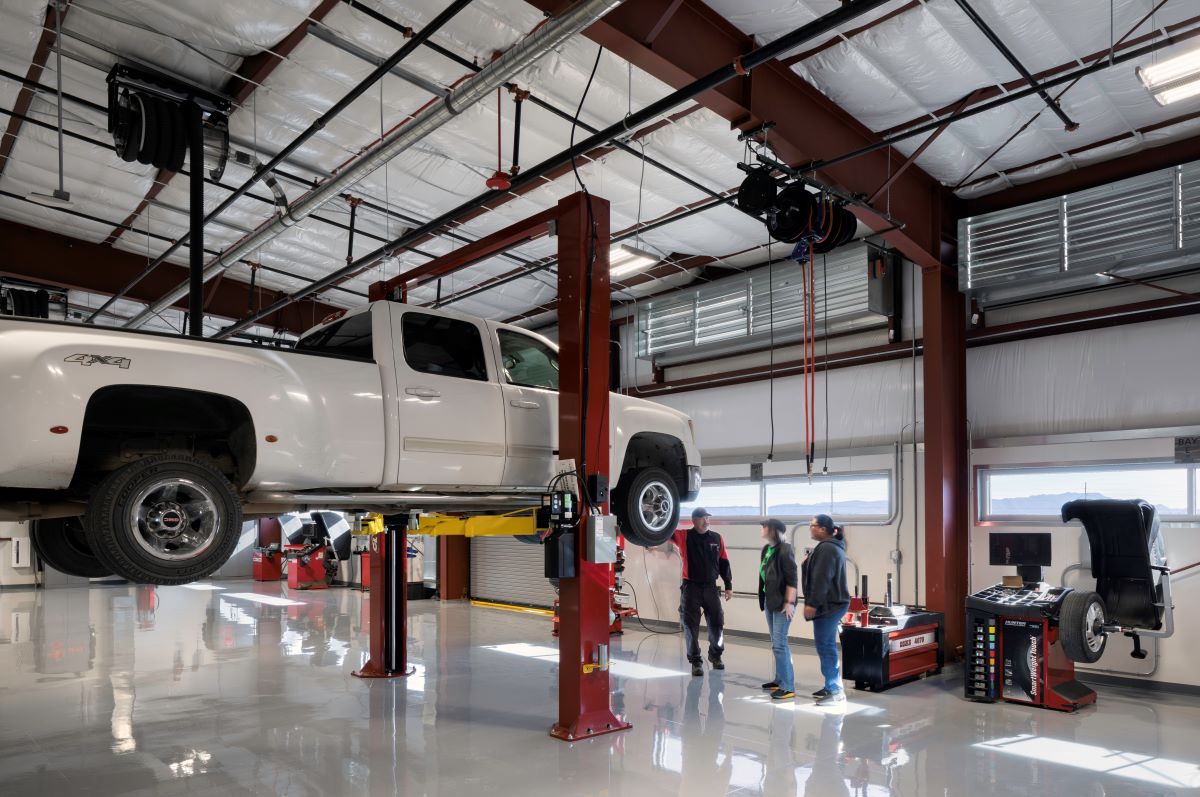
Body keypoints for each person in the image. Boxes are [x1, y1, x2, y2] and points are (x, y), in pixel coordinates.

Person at [671, 508, 733, 677]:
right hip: (691, 587)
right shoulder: (684, 536)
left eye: (707, 517)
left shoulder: (717, 538)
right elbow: (665, 532)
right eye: (702, 518)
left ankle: (716, 656)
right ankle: (696, 661)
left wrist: (728, 584)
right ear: (694, 520)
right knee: (691, 626)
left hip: (711, 588)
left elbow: (724, 562)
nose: (706, 521)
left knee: (717, 623)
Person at [801, 513, 851, 705]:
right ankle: (831, 685)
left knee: (825, 646)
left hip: (830, 604)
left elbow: (822, 578)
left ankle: (835, 690)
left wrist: (812, 604)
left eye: (812, 525)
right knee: (826, 645)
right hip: (832, 603)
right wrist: (806, 565)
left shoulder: (828, 548)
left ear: (823, 528)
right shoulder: (829, 547)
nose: (810, 528)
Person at [757, 518, 798, 700]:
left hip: (783, 604)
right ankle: (779, 680)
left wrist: (789, 602)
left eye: (765, 526)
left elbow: (792, 579)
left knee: (781, 644)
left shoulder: (785, 550)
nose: (762, 529)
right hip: (770, 601)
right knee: (776, 644)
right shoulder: (767, 550)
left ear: (774, 530)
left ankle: (788, 686)